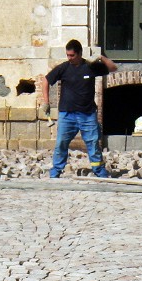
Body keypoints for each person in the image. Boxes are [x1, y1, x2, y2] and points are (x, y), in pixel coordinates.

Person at [40, 40, 117, 178]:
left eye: (72, 55)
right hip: (67, 115)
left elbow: (113, 68)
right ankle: (56, 171)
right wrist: (46, 102)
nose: (69, 58)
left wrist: (101, 57)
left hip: (87, 115)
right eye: (67, 55)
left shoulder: (91, 67)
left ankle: (99, 171)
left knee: (93, 143)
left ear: (80, 54)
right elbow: (46, 80)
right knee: (61, 144)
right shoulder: (63, 68)